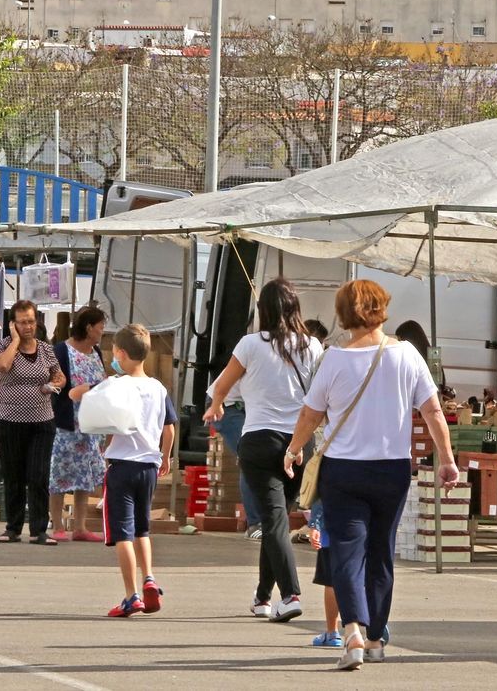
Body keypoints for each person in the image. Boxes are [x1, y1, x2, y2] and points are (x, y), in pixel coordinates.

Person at [282, 279, 458, 671]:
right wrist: (445, 458)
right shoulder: (408, 355)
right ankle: (376, 638)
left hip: (343, 471)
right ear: (382, 308)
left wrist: (294, 449)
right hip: (392, 469)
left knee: (346, 551)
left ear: (344, 315)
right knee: (381, 553)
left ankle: (353, 632)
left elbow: (311, 414)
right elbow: (432, 411)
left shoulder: (334, 359)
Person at [203, 277, 325, 623]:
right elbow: (318, 397)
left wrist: (217, 406)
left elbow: (221, 387)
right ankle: (261, 597)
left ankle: (290, 594)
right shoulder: (313, 346)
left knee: (273, 521)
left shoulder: (250, 345)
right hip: (300, 443)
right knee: (278, 522)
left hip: (259, 441)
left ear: (263, 311)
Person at [99, 323, 178, 617]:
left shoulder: (116, 385)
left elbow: (107, 424)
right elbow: (169, 429)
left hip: (121, 466)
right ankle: (149, 578)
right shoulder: (158, 388)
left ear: (120, 353)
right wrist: (165, 457)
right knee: (143, 528)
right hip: (148, 466)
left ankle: (131, 595)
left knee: (123, 533)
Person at [0, 299, 66, 544]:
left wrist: (55, 383)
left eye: (31, 321)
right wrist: (14, 341)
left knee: (38, 474)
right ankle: (12, 527)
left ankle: (39, 529)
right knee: (13, 474)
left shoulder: (45, 349)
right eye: (22, 322)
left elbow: (59, 375)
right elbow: (2, 367)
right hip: (9, 419)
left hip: (41, 420)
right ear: (13, 324)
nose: (28, 327)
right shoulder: (3, 346)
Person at [48, 305, 108, 541]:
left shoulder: (97, 352)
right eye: (100, 327)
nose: (103, 332)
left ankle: (80, 526)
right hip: (66, 423)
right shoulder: (62, 351)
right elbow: (55, 387)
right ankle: (57, 524)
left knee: (86, 475)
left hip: (92, 426)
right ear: (89, 327)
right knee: (60, 474)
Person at [307, 499, 342, 648]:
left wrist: (314, 524)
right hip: (360, 528)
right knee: (359, 579)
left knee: (331, 581)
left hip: (331, 528)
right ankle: (372, 627)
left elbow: (320, 493)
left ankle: (332, 632)